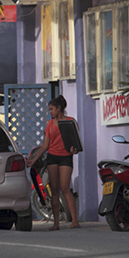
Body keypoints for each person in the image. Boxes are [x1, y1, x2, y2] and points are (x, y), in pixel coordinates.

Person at [27, 95, 81, 230]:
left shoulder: (70, 122)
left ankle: (75, 221)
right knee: (54, 189)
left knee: (65, 187)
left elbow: (76, 141)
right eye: (49, 109)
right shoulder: (50, 124)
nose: (50, 112)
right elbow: (45, 145)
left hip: (66, 157)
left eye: (52, 109)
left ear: (59, 108)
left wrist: (75, 149)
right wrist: (34, 159)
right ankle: (56, 223)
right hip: (52, 157)